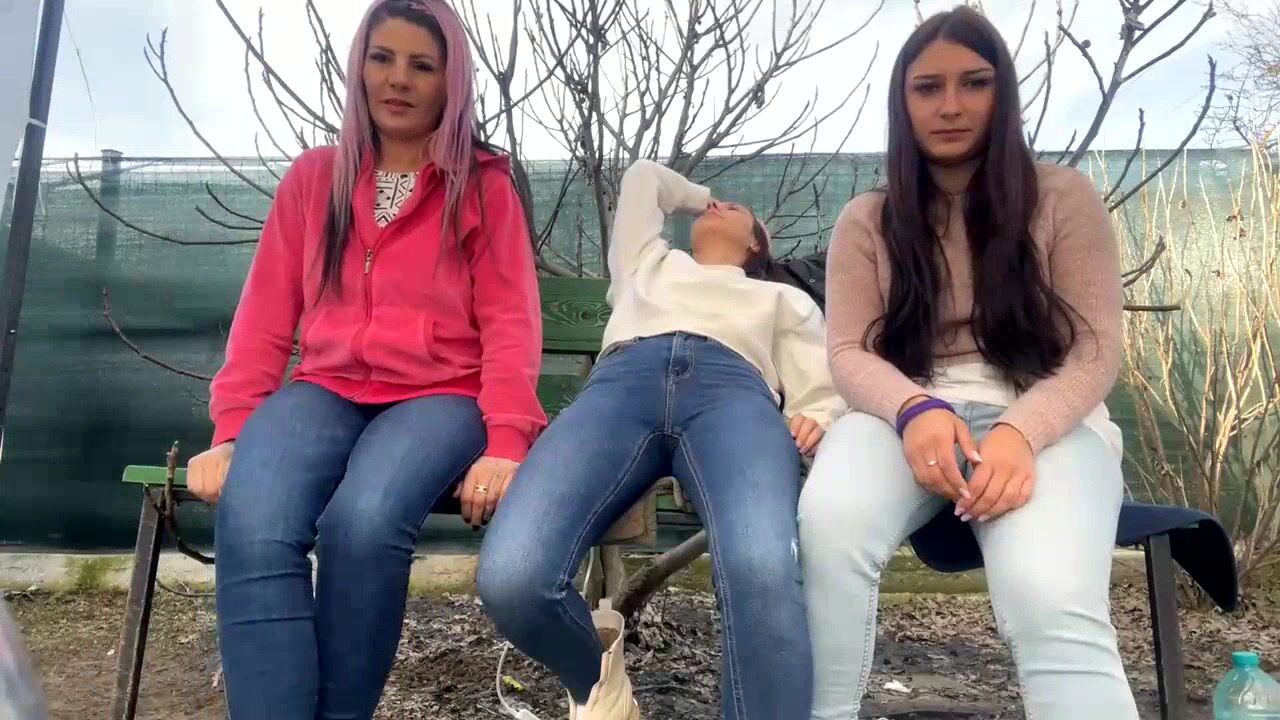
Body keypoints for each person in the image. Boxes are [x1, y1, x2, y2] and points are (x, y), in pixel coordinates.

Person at [182, 1, 544, 717]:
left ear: (450, 83)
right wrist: (232, 431)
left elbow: (511, 320)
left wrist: (506, 439)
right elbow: (265, 314)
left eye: (422, 65)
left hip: (441, 397)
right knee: (253, 518)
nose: (398, 79)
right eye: (382, 58)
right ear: (359, 68)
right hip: (325, 390)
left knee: (363, 524)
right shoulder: (315, 178)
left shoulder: (482, 184)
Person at [797, 7, 1138, 720]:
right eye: (928, 88)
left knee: (1051, 597)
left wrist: (1020, 432)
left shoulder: (1062, 197)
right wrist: (914, 409)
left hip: (1045, 420)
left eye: (974, 82)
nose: (950, 105)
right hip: (901, 415)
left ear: (1001, 92)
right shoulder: (867, 219)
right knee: (828, 530)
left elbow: (1095, 349)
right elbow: (849, 351)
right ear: (903, 103)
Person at [475, 158, 845, 720]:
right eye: (712, 203)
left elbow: (819, 384)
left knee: (762, 571)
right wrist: (700, 197)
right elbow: (643, 178)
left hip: (734, 397)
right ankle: (599, 681)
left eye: (734, 208)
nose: (717, 205)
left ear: (756, 245)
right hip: (619, 391)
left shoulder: (780, 299)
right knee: (513, 577)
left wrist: (818, 413)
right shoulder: (645, 265)